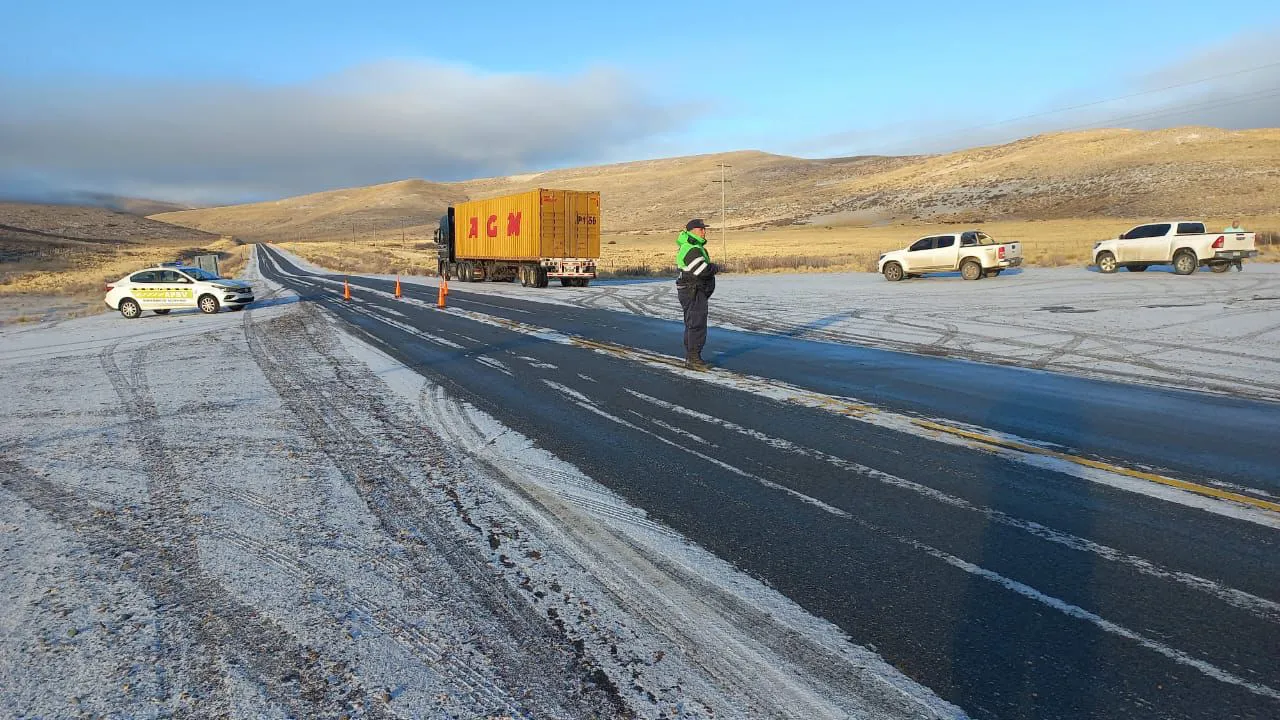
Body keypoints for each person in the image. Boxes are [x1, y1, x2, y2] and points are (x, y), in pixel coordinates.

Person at [675, 218, 718, 370]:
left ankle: (692, 356)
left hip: (692, 290)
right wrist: (714, 268)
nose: (704, 231)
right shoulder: (691, 248)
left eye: (704, 229)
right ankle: (694, 358)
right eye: (701, 229)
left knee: (692, 324)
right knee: (696, 324)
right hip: (693, 290)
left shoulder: (693, 246)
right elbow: (702, 270)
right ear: (692, 231)